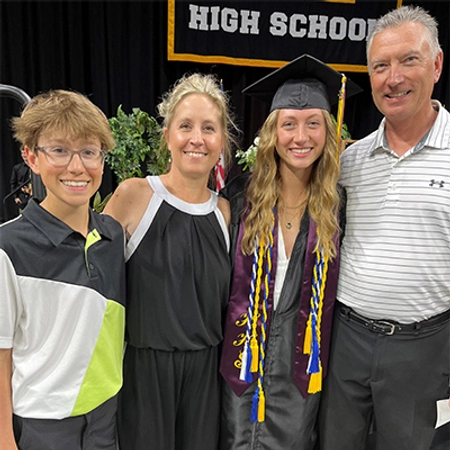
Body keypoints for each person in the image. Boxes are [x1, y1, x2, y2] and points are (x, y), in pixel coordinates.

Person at [319, 6, 449, 450]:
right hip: (346, 340)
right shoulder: (351, 161)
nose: (393, 78)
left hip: (425, 348)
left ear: (436, 65)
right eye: (380, 66)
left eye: (408, 60)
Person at [219, 54, 361, 450]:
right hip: (238, 370)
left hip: (301, 375)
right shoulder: (238, 199)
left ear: (329, 131)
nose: (301, 136)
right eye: (289, 124)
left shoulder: (339, 209)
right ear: (272, 133)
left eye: (314, 123)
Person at [104, 73, 235, 450]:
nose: (197, 138)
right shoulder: (135, 195)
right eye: (185, 126)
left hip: (206, 376)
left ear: (222, 141)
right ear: (167, 135)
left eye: (209, 128)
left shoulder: (224, 213)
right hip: (144, 372)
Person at [0, 90, 126, 450]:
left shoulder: (113, 236)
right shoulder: (8, 247)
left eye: (89, 152)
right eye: (59, 150)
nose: (76, 167)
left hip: (104, 422)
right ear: (31, 156)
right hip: (42, 428)